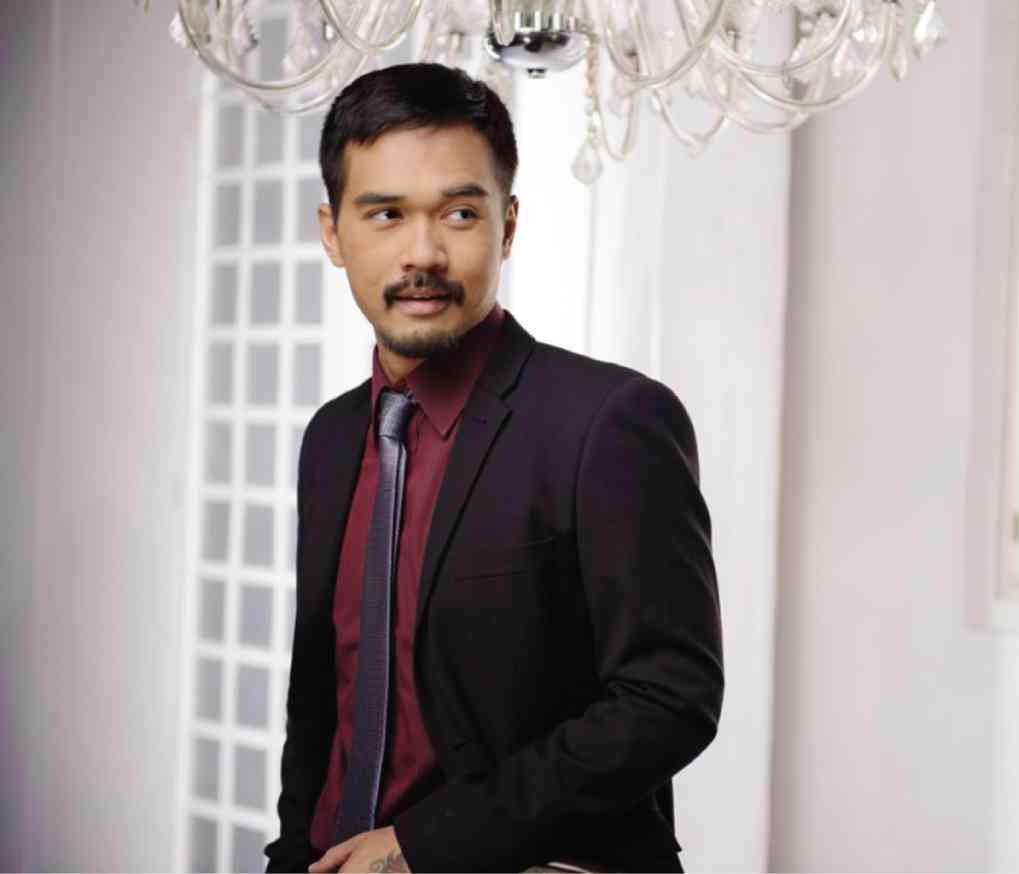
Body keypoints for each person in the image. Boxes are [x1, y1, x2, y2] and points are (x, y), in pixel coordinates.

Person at [262, 62, 724, 874]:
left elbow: (669, 698)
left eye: (460, 213)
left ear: (507, 226)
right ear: (332, 233)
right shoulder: (331, 437)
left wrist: (423, 848)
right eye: (386, 215)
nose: (424, 253)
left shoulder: (609, 421)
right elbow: (323, 701)